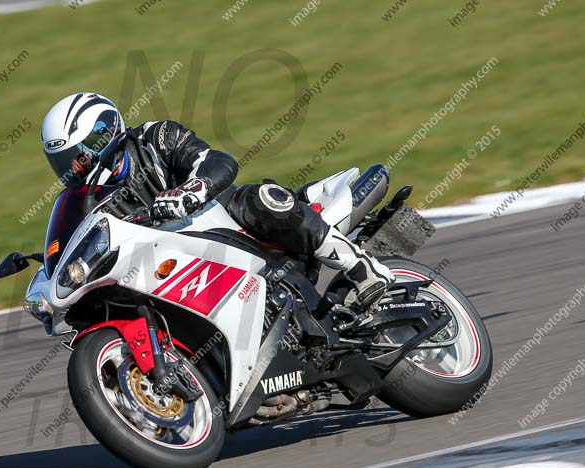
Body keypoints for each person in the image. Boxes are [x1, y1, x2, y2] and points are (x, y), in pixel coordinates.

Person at [40, 92, 394, 313]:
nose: (71, 169)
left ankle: (362, 268)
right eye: (62, 163)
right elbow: (82, 238)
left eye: (77, 157)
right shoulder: (88, 202)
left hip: (217, 220)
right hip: (171, 263)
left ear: (103, 135)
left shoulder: (154, 137)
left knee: (259, 199)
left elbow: (217, 161)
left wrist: (188, 192)